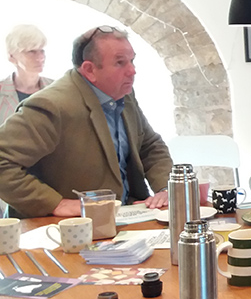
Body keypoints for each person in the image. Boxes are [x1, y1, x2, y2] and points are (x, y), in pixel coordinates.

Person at [0, 26, 171, 218]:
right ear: (89, 70)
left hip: (124, 220)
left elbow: (149, 145)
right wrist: (55, 203)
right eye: (120, 63)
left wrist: (166, 189)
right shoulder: (52, 105)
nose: (132, 71)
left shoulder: (123, 93)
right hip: (63, 232)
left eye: (132, 60)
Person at [0, 24, 54, 122]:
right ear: (11, 56)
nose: (40, 57)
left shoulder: (56, 89)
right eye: (31, 52)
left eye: (42, 50)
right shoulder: (1, 91)